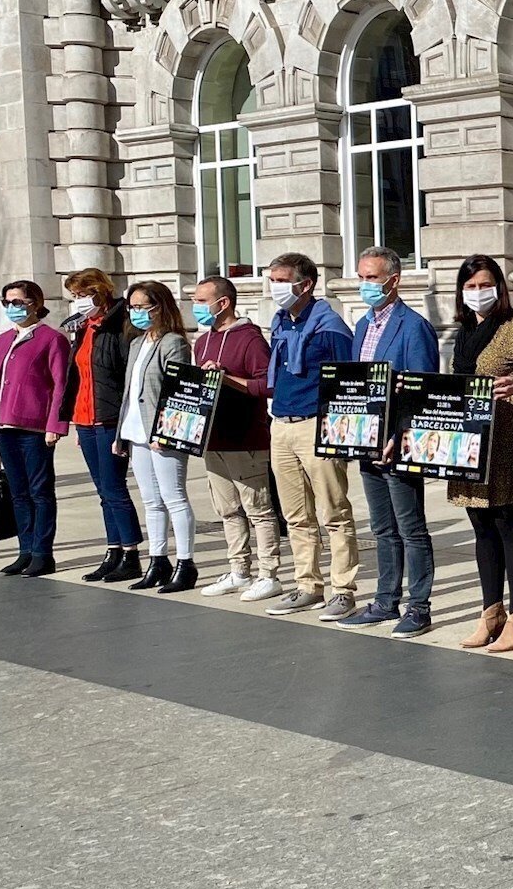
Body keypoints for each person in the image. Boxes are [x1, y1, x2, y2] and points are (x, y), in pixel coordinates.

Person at [337, 246, 440, 638]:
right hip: (366, 441)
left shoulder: (413, 327)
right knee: (382, 528)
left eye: (372, 278)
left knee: (411, 528)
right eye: (361, 277)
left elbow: (423, 390)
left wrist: (400, 435)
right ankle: (384, 601)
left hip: (398, 444)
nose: (364, 284)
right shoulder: (362, 326)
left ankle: (419, 607)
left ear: (393, 280)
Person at [454, 255, 513, 653]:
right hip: (469, 441)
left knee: (510, 524)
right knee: (481, 528)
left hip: (506, 438)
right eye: (471, 286)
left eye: (485, 284)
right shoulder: (463, 332)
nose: (478, 292)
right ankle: (490, 611)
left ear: (499, 287)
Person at [262, 252, 360, 621]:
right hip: (282, 423)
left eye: (282, 281)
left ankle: (343, 590)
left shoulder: (330, 327)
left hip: (317, 425)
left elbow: (350, 381)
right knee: (295, 515)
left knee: (333, 511)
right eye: (272, 280)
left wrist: (341, 431)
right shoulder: (280, 322)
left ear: (305, 285)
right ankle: (307, 585)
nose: (275, 288)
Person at [191, 277, 283, 602]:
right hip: (213, 437)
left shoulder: (250, 339)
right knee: (228, 510)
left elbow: (268, 384)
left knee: (258, 509)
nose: (197, 307)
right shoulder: (202, 341)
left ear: (223, 303)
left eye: (202, 301)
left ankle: (269, 574)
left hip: (245, 437)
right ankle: (239, 570)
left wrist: (227, 378)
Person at [112, 281, 198, 593]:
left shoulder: (173, 342)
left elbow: (177, 393)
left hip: (162, 433)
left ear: (159, 307)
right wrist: (120, 434)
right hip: (135, 431)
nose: (135, 313)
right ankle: (158, 559)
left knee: (174, 497)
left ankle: (185, 563)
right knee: (151, 500)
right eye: (132, 307)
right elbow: (130, 392)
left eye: (141, 307)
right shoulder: (138, 343)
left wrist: (165, 432)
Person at [59, 268, 143, 583]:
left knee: (114, 488)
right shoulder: (84, 327)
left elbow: (127, 377)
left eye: (83, 294)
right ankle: (113, 550)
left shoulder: (121, 325)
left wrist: (124, 425)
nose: (78, 301)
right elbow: (78, 376)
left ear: (99, 291)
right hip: (85, 418)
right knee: (103, 491)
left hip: (109, 418)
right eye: (74, 296)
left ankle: (131, 553)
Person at [0, 280, 71, 577]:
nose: (12, 307)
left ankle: (42, 553)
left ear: (35, 303)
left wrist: (55, 425)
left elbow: (60, 384)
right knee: (18, 492)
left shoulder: (51, 339)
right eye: (7, 302)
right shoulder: (2, 339)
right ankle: (25, 550)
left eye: (18, 302)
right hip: (4, 424)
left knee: (40, 491)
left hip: (34, 428)